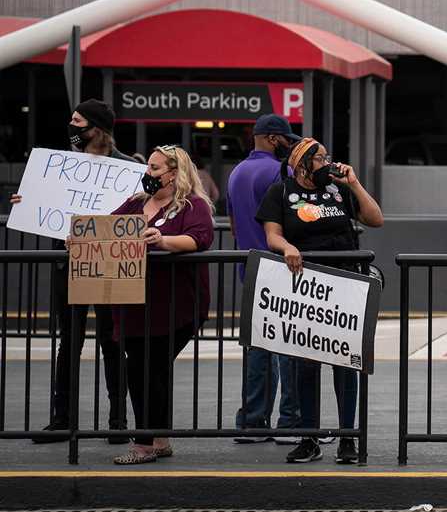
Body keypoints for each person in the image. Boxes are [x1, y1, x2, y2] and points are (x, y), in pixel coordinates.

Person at [257, 138, 385, 465]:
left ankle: (347, 439)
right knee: (306, 365)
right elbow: (272, 234)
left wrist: (353, 183)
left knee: (345, 364)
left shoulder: (338, 190)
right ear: (301, 164)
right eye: (320, 159)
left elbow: (375, 218)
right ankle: (309, 437)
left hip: (344, 284)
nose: (328, 163)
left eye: (329, 157)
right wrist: (286, 247)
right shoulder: (281, 192)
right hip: (305, 287)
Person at [17, 99, 132, 444]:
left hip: (108, 263)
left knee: (112, 342)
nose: (72, 128)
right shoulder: (61, 165)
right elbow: (43, 205)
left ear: (96, 128)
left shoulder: (126, 169)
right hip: (68, 263)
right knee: (70, 341)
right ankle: (61, 419)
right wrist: (28, 204)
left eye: (77, 122)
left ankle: (118, 422)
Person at [109, 145, 215, 464]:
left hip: (175, 305)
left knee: (149, 367)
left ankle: (145, 443)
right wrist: (81, 239)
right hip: (134, 305)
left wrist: (163, 241)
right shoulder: (134, 203)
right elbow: (107, 230)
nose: (148, 174)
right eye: (148, 168)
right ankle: (159, 438)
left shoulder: (192, 205)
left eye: (155, 169)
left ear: (174, 173)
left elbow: (199, 238)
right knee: (145, 368)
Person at [226, 114, 301, 445]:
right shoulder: (279, 171)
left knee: (258, 348)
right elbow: (290, 220)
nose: (289, 144)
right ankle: (291, 422)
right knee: (290, 347)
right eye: (286, 139)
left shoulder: (236, 172)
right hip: (281, 267)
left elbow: (232, 224)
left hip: (250, 266)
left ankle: (253, 421)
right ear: (274, 139)